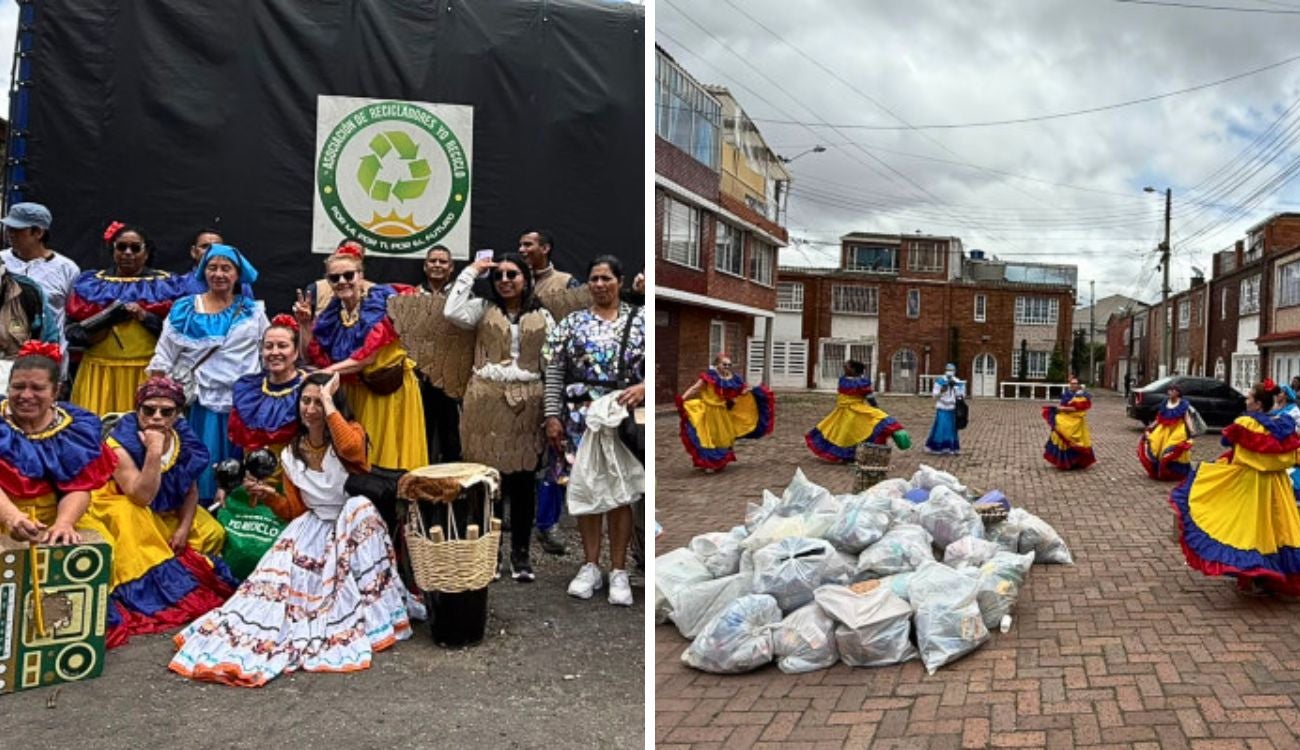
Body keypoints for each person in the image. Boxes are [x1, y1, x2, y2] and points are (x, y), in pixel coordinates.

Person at [169, 372, 419, 687]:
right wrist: (272, 498)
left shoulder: (350, 434)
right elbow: (296, 511)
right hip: (313, 526)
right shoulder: (289, 453)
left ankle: (370, 613)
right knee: (274, 595)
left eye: (318, 401)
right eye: (306, 401)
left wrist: (330, 404)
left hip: (354, 524)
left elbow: (352, 450)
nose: (310, 408)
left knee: (359, 509)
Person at [85, 376, 236, 647]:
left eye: (166, 412)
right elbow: (140, 496)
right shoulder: (119, 444)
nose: (156, 417)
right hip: (125, 503)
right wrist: (154, 452)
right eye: (148, 410)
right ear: (137, 409)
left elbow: (189, 490)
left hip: (166, 507)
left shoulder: (182, 438)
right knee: (138, 540)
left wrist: (182, 527)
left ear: (178, 414)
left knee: (210, 532)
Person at [446, 252, 554, 581]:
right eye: (499, 276)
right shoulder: (481, 310)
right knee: (485, 481)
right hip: (486, 400)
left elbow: (552, 359)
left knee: (522, 482)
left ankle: (520, 555)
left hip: (528, 401)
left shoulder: (544, 315)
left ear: (526, 278)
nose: (505, 281)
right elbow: (450, 312)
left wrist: (552, 407)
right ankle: (488, 555)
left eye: (512, 275)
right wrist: (473, 271)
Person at [544, 255, 645, 605]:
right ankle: (590, 565)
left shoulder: (640, 320)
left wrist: (645, 388)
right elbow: (555, 370)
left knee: (619, 491)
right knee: (587, 489)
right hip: (579, 418)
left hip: (620, 416)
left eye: (606, 278)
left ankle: (618, 570)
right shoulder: (571, 323)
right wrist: (551, 415)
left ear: (620, 281)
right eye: (594, 279)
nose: (600, 285)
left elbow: (657, 368)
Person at [148, 244, 268, 505]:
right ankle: (200, 518)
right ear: (203, 272)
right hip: (200, 406)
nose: (219, 274)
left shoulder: (253, 312)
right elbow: (164, 355)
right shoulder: (184, 309)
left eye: (226, 268)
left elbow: (267, 352)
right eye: (212, 267)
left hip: (243, 406)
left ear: (238, 274)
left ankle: (235, 522)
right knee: (202, 468)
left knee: (241, 470)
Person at [296, 249, 427, 470]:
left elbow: (366, 358)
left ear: (360, 275)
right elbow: (310, 354)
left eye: (348, 275)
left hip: (388, 394)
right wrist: (304, 324)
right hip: (356, 391)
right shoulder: (332, 315)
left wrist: (323, 374)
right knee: (358, 451)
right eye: (335, 278)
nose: (342, 282)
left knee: (383, 454)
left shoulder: (379, 305)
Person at [1170, 380, 1300, 596]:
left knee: (1248, 530)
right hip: (1276, 487)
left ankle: (1251, 577)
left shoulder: (1245, 424)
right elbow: (1291, 455)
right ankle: (1265, 577)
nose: (1246, 400)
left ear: (1258, 404)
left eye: (1249, 398)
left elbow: (1227, 443)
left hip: (1250, 484)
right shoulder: (1283, 425)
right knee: (1275, 531)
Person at [0, 343, 115, 546]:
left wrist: (64, 523)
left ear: (56, 392)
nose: (26, 395)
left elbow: (80, 487)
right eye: (18, 387)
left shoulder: (76, 432)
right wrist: (12, 517)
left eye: (37, 388)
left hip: (60, 518)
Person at [67, 222, 182, 416]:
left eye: (135, 248)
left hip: (147, 372)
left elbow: (179, 334)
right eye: (121, 247)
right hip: (99, 372)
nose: (128, 253)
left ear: (146, 253)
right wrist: (103, 324)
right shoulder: (92, 283)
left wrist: (145, 317)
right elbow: (72, 330)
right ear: (113, 251)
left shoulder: (166, 285)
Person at [0, 202, 79, 379]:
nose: (11, 234)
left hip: (47, 360)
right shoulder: (2, 261)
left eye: (18, 229)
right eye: (9, 228)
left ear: (38, 232)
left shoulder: (66, 268)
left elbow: (70, 314)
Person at [676, 353, 775, 471]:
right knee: (709, 436)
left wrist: (755, 392)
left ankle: (719, 461)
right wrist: (682, 398)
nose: (727, 367)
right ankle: (708, 461)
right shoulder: (709, 377)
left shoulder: (733, 378)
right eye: (724, 364)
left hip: (723, 412)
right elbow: (695, 388)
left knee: (724, 437)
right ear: (717, 364)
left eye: (729, 364)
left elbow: (741, 391)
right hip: (709, 411)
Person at [228, 315, 307, 460]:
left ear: (296, 352)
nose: (274, 352)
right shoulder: (247, 389)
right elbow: (240, 444)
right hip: (252, 477)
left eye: (282, 346)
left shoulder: (309, 388)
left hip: (295, 476)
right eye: (269, 346)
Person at [416, 244, 465, 463]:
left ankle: (453, 491)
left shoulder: (463, 295)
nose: (437, 265)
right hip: (419, 377)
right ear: (425, 266)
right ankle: (419, 489)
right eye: (433, 261)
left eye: (442, 261)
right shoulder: (412, 295)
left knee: (451, 437)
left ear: (451, 268)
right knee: (420, 434)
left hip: (450, 377)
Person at [806, 360, 908, 462]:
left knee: (851, 433)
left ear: (854, 370)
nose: (844, 367)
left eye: (847, 366)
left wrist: (875, 408)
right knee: (843, 434)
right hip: (842, 411)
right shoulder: (845, 380)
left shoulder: (860, 383)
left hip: (855, 410)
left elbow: (869, 397)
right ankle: (847, 456)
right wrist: (875, 408)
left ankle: (852, 455)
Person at [1138, 383, 1197, 481]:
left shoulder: (1183, 404)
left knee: (1171, 448)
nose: (1169, 392)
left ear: (1177, 393)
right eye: (1169, 390)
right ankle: (1159, 470)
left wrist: (1191, 430)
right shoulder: (1165, 402)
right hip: (1164, 429)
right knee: (1156, 445)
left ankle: (1174, 472)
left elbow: (1187, 418)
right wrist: (1151, 426)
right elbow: (1159, 417)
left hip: (1177, 430)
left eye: (1172, 390)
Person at [1042, 376, 1096, 470]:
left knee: (1077, 440)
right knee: (1058, 434)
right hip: (1066, 418)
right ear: (1069, 384)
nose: (1074, 385)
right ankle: (1064, 461)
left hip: (1077, 421)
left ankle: (1076, 461)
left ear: (1078, 385)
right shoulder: (1066, 394)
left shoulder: (1082, 395)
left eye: (1075, 383)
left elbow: (1078, 408)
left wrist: (1063, 408)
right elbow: (1063, 404)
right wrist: (1060, 409)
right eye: (1072, 383)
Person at [924, 363, 965, 455]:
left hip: (953, 408)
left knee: (951, 428)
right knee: (941, 426)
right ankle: (937, 447)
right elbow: (934, 395)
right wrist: (943, 389)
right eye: (948, 370)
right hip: (942, 407)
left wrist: (956, 388)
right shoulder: (940, 381)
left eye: (952, 370)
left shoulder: (957, 381)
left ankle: (951, 447)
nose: (950, 372)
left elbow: (962, 395)